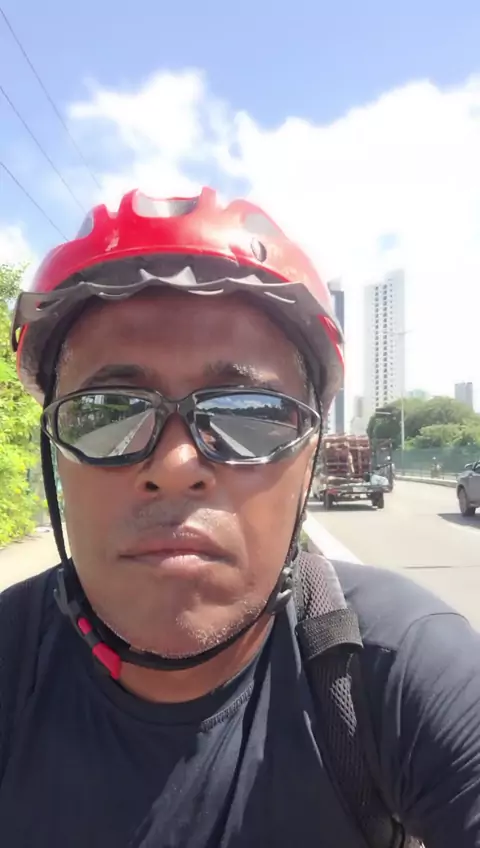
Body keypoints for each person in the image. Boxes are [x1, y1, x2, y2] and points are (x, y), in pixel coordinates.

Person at [2, 187, 479, 847]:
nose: (175, 465)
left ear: (308, 460)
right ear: (56, 451)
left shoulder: (399, 667)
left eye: (248, 415)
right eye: (108, 411)